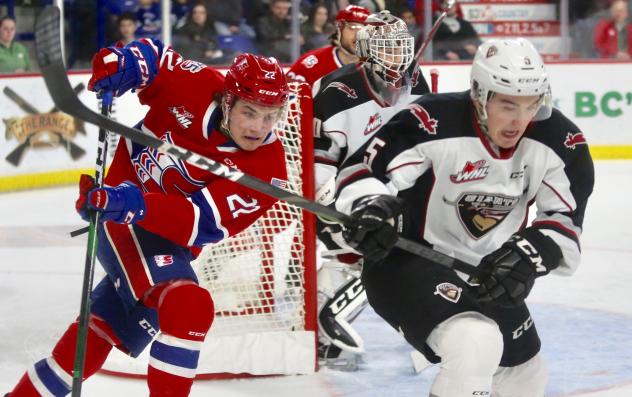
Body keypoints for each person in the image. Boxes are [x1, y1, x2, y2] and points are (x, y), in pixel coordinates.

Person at [6, 39, 290, 396]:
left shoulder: (268, 170)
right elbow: (154, 58)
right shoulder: (195, 84)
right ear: (228, 100)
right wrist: (122, 62)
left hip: (157, 229)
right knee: (190, 306)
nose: (258, 127)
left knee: (98, 334)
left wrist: (136, 203)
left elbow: (197, 224)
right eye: (249, 111)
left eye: (270, 115)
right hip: (118, 212)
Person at [336, 38, 594, 396]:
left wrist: (528, 255)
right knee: (475, 341)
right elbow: (362, 172)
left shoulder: (560, 142)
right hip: (408, 259)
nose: (519, 120)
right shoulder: (430, 120)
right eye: (507, 105)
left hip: (485, 273)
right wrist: (371, 207)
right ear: (479, 94)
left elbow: (565, 222)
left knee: (525, 377)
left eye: (530, 105)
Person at [312, 10, 429, 369]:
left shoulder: (418, 83)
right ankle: (322, 323)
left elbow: (428, 148)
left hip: (397, 191)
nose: (397, 57)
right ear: (366, 49)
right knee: (357, 252)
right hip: (345, 196)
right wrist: (330, 205)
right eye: (386, 48)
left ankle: (429, 325)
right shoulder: (336, 91)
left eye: (400, 47)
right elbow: (320, 167)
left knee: (422, 251)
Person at [287, 4, 370, 85]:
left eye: (365, 29)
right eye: (353, 28)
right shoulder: (310, 66)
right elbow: (286, 96)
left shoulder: (377, 68)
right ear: (338, 31)